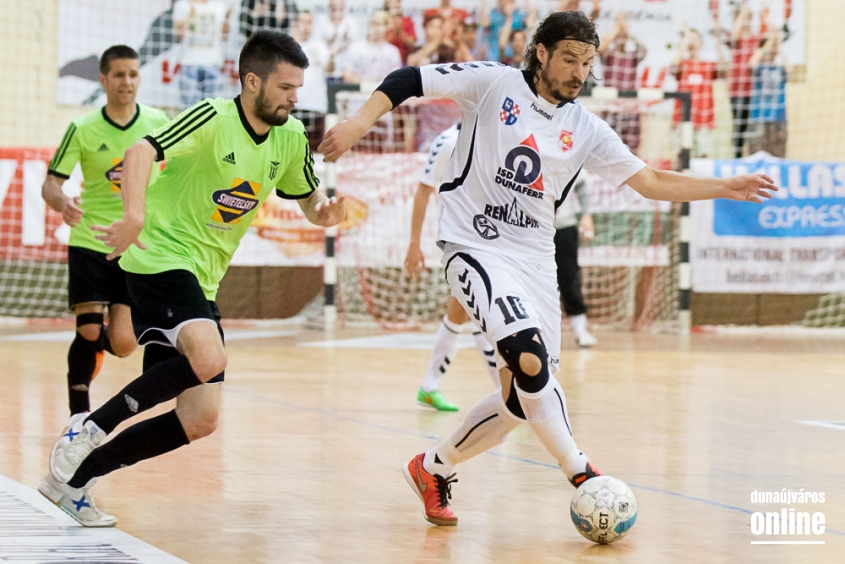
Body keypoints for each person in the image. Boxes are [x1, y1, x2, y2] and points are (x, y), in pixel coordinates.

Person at [319, 11, 775, 527]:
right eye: (569, 59)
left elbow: (650, 181)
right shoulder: (493, 83)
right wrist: (359, 123)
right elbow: (409, 80)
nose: (580, 72)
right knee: (530, 360)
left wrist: (724, 187)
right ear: (541, 53)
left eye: (588, 62)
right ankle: (583, 474)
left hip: (535, 261)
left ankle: (432, 467)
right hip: (474, 245)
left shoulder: (586, 127)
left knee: (520, 399)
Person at [45, 30, 346, 527]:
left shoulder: (291, 137)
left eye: (299, 88)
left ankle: (74, 482)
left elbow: (307, 198)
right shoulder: (212, 116)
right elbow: (141, 152)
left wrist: (324, 212)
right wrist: (135, 215)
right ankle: (88, 428)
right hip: (158, 254)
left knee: (200, 418)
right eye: (286, 87)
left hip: (202, 278)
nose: (296, 98)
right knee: (209, 356)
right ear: (252, 82)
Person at [41, 46, 170, 421]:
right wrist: (61, 202)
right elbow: (51, 183)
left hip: (132, 244)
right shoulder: (81, 128)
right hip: (89, 240)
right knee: (87, 329)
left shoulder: (159, 122)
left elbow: (180, 171)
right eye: (119, 75)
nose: (127, 82)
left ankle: (97, 342)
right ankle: (78, 416)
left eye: (133, 74)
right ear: (103, 80)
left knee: (126, 344)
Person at [405, 124, 500, 411]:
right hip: (459, 239)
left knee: (466, 313)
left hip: (488, 238)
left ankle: (430, 386)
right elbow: (423, 192)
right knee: (484, 313)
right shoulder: (448, 142)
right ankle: (507, 396)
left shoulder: (496, 135)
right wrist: (414, 243)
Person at [553, 178, 597, 347]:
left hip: (563, 226)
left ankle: (580, 329)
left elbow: (580, 184)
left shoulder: (566, 153)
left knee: (569, 277)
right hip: (530, 228)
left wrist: (586, 215)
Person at [173, 0, 233, 108]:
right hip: (189, 64)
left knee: (212, 111)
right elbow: (177, 33)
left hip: (214, 64)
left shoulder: (219, 6)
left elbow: (225, 36)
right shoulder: (183, 5)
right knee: (188, 111)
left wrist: (227, 19)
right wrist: (190, 15)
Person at [291, 10, 330, 151]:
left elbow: (329, 67)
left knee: (314, 151)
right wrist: (295, 42)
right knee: (291, 150)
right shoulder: (286, 45)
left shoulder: (320, 46)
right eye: (302, 22)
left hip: (316, 106)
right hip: (293, 105)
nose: (305, 26)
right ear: (295, 24)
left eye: (309, 22)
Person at [341, 11, 402, 85]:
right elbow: (347, 75)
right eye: (372, 24)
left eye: (379, 25)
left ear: (385, 28)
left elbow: (395, 79)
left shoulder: (392, 52)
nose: (375, 29)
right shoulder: (354, 48)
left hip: (383, 93)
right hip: (358, 93)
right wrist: (367, 85)